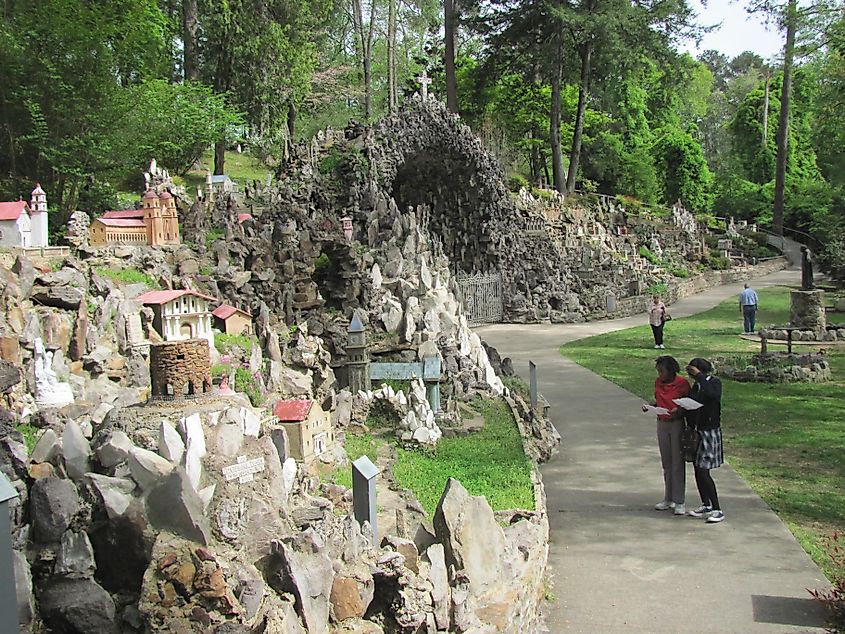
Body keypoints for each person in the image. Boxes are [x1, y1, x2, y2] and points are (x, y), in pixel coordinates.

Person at [644, 356, 690, 515]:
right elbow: (658, 400)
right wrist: (651, 406)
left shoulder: (682, 383)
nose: (660, 374)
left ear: (671, 370)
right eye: (658, 371)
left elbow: (688, 403)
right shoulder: (658, 383)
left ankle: (679, 500)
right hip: (661, 422)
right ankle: (668, 497)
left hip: (676, 423)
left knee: (677, 462)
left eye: (662, 371)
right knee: (667, 462)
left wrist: (680, 411)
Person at [683, 358, 726, 523]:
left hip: (709, 431)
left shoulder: (714, 382)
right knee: (697, 468)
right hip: (697, 430)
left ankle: (717, 508)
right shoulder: (697, 385)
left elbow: (712, 395)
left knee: (703, 469)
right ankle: (706, 504)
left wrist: (700, 376)